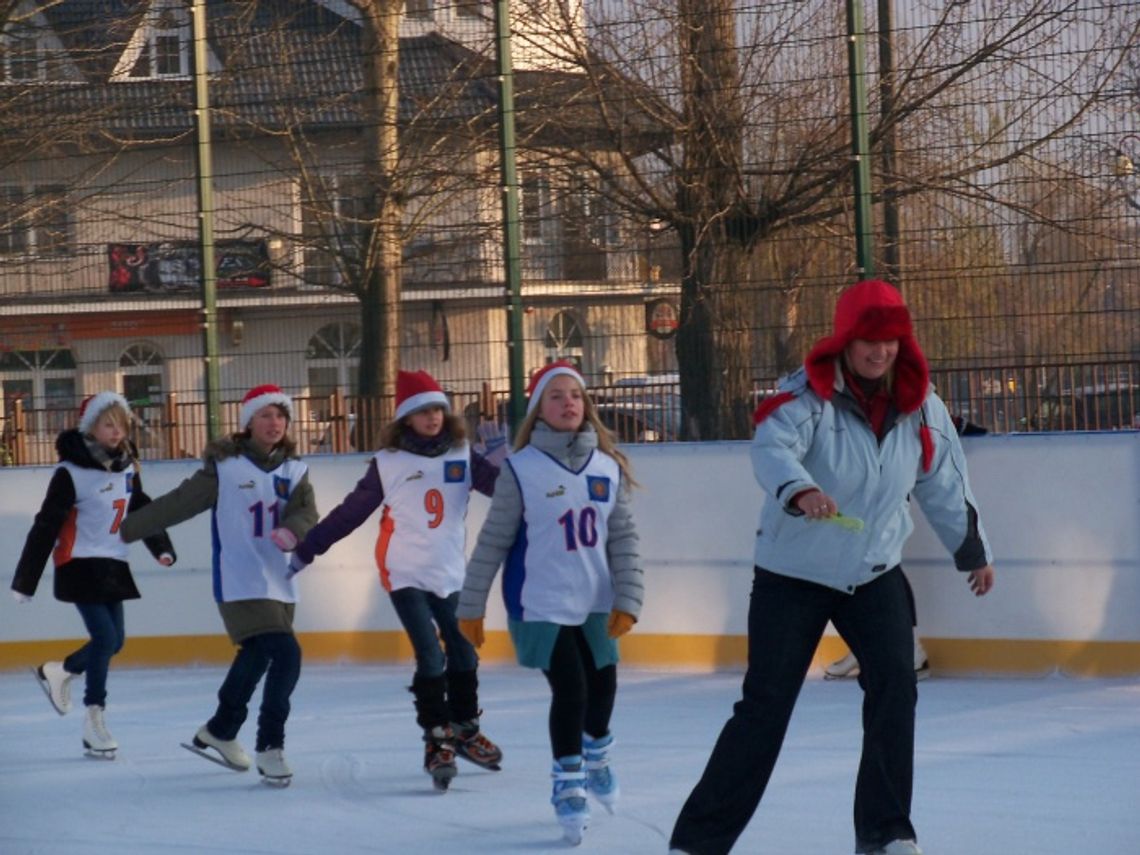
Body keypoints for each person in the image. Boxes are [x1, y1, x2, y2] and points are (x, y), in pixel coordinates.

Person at [668, 280, 996, 855]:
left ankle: (886, 831)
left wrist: (972, 552)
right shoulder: (808, 394)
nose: (881, 351)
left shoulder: (922, 403)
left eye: (891, 340)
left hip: (873, 573)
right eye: (869, 340)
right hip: (793, 575)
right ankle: (698, 841)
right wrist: (800, 490)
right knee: (765, 707)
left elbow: (944, 481)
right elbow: (771, 447)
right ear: (846, 340)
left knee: (896, 688)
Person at [288, 369, 507, 792]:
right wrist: (307, 548)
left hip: (449, 572)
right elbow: (351, 513)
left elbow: (504, 491)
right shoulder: (388, 463)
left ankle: (464, 728)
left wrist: (505, 461)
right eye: (422, 411)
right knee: (430, 656)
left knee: (465, 652)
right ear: (406, 418)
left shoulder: (463, 454)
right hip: (403, 572)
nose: (432, 418)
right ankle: (437, 740)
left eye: (438, 410)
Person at [457, 361, 644, 845]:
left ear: (587, 407)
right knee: (573, 689)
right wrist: (470, 606)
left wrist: (629, 596)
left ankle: (598, 752)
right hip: (540, 601)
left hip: (597, 600)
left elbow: (622, 538)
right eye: (556, 396)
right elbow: (492, 542)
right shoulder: (521, 470)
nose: (568, 404)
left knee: (603, 690)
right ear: (540, 408)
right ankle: (568, 785)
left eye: (576, 396)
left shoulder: (607, 467)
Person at [120, 384, 318, 787]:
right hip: (240, 579)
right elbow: (178, 503)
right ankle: (270, 745)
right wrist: (124, 531)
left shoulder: (295, 471)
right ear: (248, 422)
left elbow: (307, 512)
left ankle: (222, 730)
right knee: (287, 656)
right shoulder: (225, 468)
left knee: (259, 655)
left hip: (280, 581)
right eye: (265, 415)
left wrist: (293, 530)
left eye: (281, 415)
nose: (274, 422)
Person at [10, 391, 176, 759]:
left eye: (121, 424)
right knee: (104, 639)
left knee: (115, 642)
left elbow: (140, 508)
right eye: (108, 424)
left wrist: (161, 546)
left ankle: (60, 670)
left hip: (114, 563)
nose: (117, 432)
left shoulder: (127, 468)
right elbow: (46, 525)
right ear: (91, 428)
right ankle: (94, 721)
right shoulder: (70, 473)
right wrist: (26, 581)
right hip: (78, 563)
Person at [824, 414, 987, 681]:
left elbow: (925, 415)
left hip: (881, 498)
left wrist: (960, 426)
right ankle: (866, 644)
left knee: (880, 568)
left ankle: (908, 650)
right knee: (852, 570)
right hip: (850, 496)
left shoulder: (903, 395)